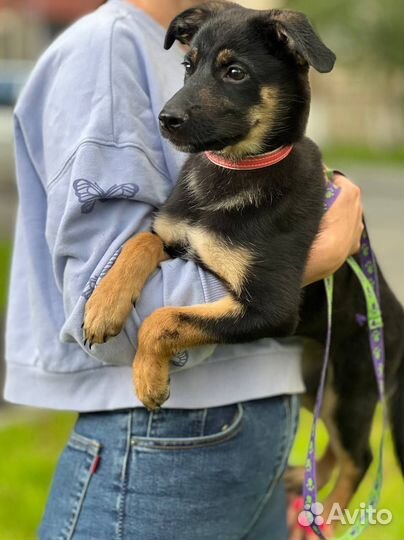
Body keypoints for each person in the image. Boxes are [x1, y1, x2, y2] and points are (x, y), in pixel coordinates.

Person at [4, 1, 363, 539]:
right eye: (193, 67)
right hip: (158, 435)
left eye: (231, 74)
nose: (181, 103)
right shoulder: (105, 52)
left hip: (250, 432)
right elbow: (111, 322)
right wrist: (317, 259)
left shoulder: (193, 45)